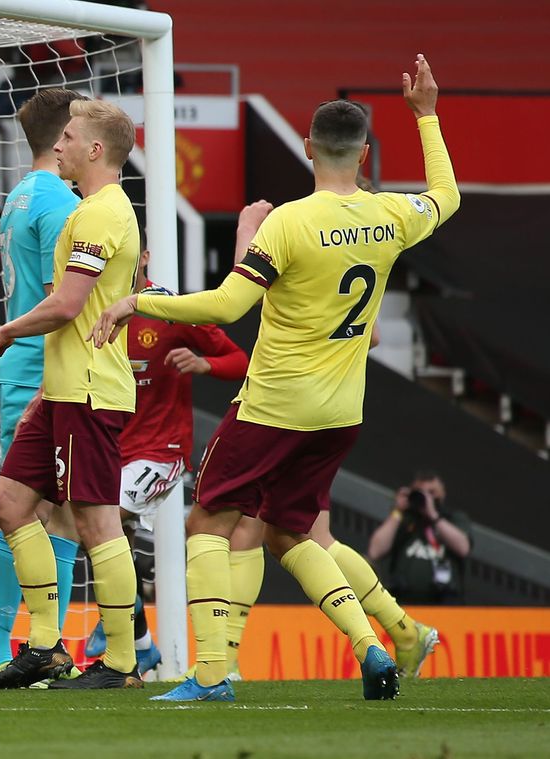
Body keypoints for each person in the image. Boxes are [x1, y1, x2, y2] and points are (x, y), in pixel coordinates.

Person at [93, 55, 459, 702]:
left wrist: (137, 301)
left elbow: (227, 308)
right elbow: (448, 196)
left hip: (273, 405)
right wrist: (427, 115)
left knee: (207, 520)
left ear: (310, 149)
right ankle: (374, 645)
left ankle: (209, 676)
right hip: (341, 413)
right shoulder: (393, 216)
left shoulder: (289, 221)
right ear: (365, 152)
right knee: (293, 531)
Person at [217, 209, 442, 683]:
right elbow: (374, 334)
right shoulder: (359, 240)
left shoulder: (295, 238)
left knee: (250, 527)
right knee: (309, 536)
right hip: (334, 409)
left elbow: (242, 297)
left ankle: (226, 657)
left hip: (286, 406)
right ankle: (403, 630)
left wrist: (245, 234)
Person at [0, 97, 142, 690]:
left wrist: (6, 330)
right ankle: (45, 647)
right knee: (11, 504)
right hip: (63, 387)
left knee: (94, 522)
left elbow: (68, 304)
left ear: (95, 150)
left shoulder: (101, 213)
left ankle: (122, 663)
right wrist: (45, 389)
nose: (62, 145)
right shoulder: (86, 207)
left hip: (93, 391)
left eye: (71, 137)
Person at [83, 240, 250, 677]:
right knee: (96, 531)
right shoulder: (93, 306)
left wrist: (202, 363)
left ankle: (119, 626)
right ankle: (139, 643)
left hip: (163, 452)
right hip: (112, 449)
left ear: (144, 258)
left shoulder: (169, 309)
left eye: (128, 254)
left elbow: (238, 358)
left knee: (110, 516)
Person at [0, 88, 86, 681]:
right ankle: (33, 652)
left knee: (26, 509)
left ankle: (12, 650)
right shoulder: (62, 204)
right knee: (46, 513)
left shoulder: (20, 194)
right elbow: (58, 301)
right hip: (47, 369)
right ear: (67, 132)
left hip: (23, 366)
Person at [369, 471, 472, 605]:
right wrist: (397, 511)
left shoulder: (453, 519)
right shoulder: (404, 519)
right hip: (403, 605)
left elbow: (463, 548)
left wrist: (433, 515)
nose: (427, 498)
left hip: (445, 608)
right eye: (421, 493)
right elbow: (374, 551)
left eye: (432, 492)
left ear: (442, 493)